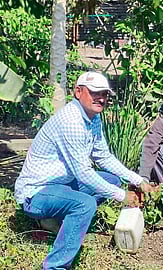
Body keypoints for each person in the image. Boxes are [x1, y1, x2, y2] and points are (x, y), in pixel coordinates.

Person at [14, 71, 155, 270]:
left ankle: (58, 223)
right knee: (85, 204)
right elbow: (83, 173)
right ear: (78, 92)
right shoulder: (71, 121)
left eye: (104, 94)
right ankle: (56, 266)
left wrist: (137, 180)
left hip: (61, 184)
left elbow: (103, 156)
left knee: (111, 180)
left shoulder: (92, 117)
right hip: (36, 193)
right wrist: (122, 196)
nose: (101, 98)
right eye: (94, 92)